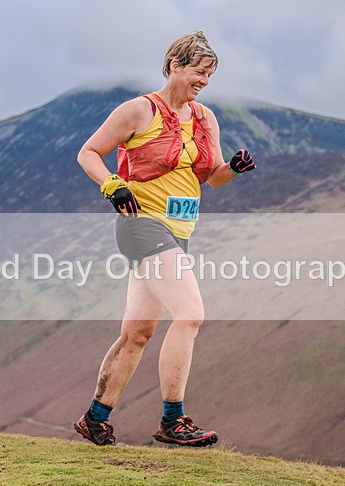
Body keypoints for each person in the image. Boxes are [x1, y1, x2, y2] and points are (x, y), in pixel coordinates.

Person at [74, 31, 256, 447]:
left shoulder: (205, 118)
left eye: (210, 75)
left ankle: (95, 418)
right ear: (175, 65)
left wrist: (234, 168)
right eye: (199, 72)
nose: (204, 81)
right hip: (141, 225)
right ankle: (174, 420)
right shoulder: (138, 111)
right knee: (190, 315)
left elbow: (212, 179)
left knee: (137, 334)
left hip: (179, 232)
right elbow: (88, 152)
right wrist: (110, 185)